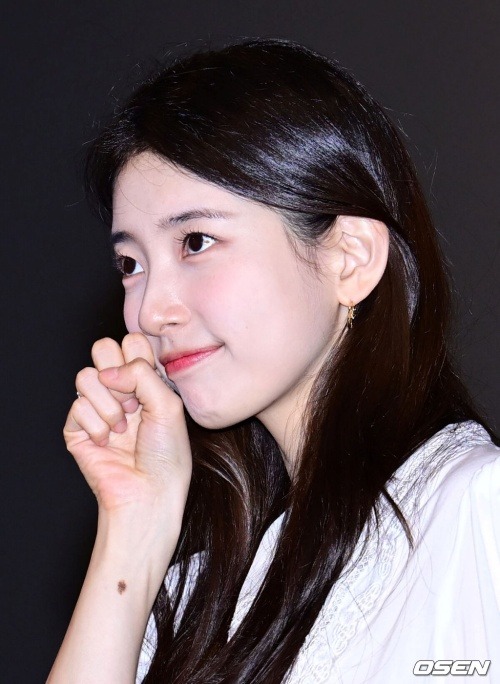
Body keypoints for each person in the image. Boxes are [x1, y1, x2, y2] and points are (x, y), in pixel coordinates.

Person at [48, 39, 499, 683]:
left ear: (349, 257)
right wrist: (132, 528)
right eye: (131, 263)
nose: (150, 310)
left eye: (196, 242)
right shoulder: (197, 587)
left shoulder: (474, 507)